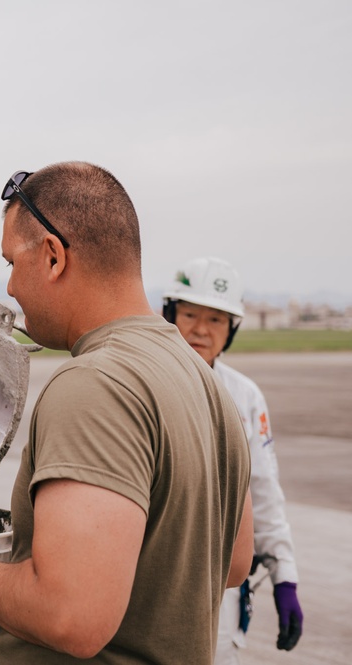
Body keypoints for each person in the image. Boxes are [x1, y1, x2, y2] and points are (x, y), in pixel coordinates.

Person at [0, 162, 254, 664]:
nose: (9, 288)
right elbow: (232, 563)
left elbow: (71, 618)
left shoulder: (94, 385)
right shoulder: (207, 384)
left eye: (11, 263)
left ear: (53, 256)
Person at [163, 257, 303, 663]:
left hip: (221, 589)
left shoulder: (245, 398)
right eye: (189, 314)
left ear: (232, 330)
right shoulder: (141, 384)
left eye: (217, 320)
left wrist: (285, 578)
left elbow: (263, 491)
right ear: (169, 314)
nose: (201, 329)